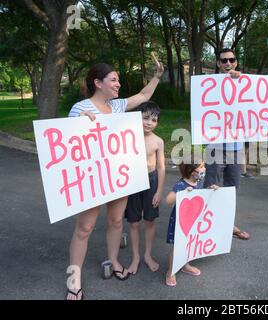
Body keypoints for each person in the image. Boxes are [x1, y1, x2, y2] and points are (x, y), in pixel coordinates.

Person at [65, 54, 164, 300]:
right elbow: (68, 142)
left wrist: (157, 76)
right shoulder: (80, 108)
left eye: (118, 80)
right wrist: (78, 123)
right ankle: (73, 280)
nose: (118, 84)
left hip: (118, 177)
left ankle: (114, 260)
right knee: (84, 228)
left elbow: (143, 97)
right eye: (113, 80)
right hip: (92, 178)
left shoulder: (118, 106)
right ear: (98, 83)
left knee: (116, 222)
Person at [203, 48, 250, 240]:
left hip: (236, 148)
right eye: (224, 60)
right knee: (210, 186)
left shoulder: (245, 84)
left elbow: (252, 106)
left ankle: (228, 223)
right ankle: (207, 224)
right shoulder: (208, 85)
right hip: (214, 147)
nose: (228, 63)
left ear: (236, 62)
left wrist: (241, 80)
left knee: (232, 188)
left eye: (231, 60)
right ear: (218, 63)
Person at [124, 101, 165, 275]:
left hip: (151, 181)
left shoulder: (158, 141)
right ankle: (136, 257)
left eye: (154, 120)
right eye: (145, 118)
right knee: (133, 223)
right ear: (137, 118)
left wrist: (159, 191)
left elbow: (161, 167)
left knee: (149, 221)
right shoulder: (128, 137)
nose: (149, 122)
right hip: (133, 182)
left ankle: (147, 255)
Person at [165, 161, 218, 286]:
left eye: (204, 165)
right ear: (191, 170)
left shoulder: (197, 182)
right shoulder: (181, 184)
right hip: (181, 222)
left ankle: (185, 265)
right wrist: (181, 193)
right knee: (178, 247)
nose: (204, 168)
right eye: (201, 166)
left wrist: (211, 190)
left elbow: (201, 198)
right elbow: (168, 200)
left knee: (190, 244)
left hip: (193, 221)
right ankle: (170, 272)